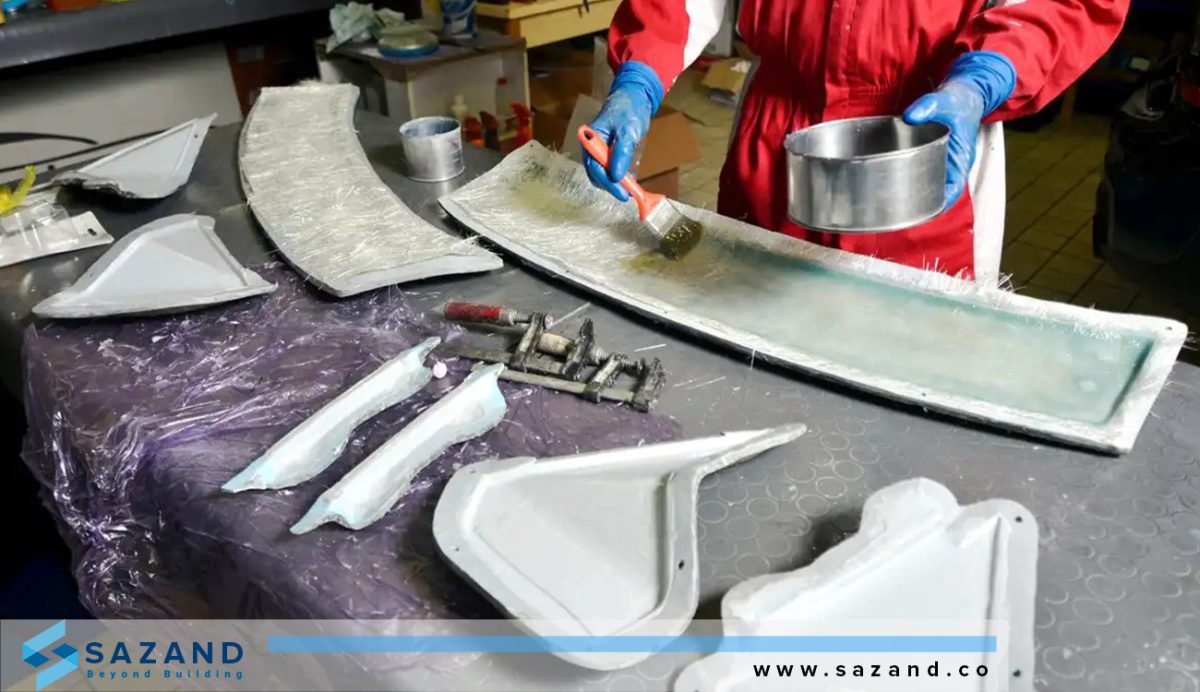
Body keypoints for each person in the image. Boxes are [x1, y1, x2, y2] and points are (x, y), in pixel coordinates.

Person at [583, 0, 1129, 284]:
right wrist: (640, 75)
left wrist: (985, 78)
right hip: (776, 142)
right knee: (751, 344)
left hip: (926, 141)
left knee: (913, 377)